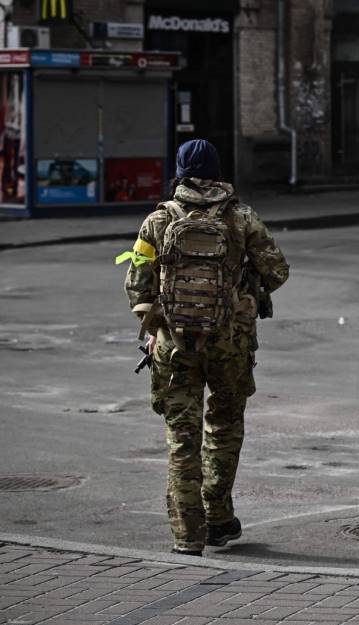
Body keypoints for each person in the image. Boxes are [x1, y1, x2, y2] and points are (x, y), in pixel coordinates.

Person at [119, 139, 289, 556]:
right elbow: (278, 271)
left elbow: (136, 285)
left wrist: (157, 322)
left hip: (174, 345)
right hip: (229, 341)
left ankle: (186, 534)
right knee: (225, 425)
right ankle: (217, 518)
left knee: (182, 435)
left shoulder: (157, 221)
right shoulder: (242, 218)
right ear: (217, 171)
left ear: (177, 171)